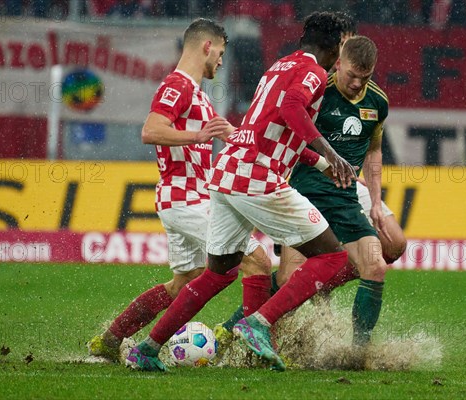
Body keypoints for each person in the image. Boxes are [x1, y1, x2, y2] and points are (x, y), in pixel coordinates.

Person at [125, 11, 357, 372]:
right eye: (346, 41)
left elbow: (272, 126)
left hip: (226, 174)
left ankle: (148, 348)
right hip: (258, 178)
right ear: (336, 43)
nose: (347, 49)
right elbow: (293, 108)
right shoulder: (313, 73)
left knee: (219, 273)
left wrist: (325, 165)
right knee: (334, 258)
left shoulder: (280, 66)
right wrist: (330, 150)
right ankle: (259, 323)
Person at [86, 18, 271, 366]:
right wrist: (197, 136)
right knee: (255, 260)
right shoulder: (178, 85)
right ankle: (253, 350)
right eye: (220, 52)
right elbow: (151, 129)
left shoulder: (198, 95)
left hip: (187, 198)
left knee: (183, 283)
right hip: (186, 199)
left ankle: (111, 340)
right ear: (206, 46)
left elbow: (229, 137)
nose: (221, 60)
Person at [215, 36, 406, 358]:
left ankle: (358, 352)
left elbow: (373, 151)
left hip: (348, 190)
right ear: (338, 63)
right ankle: (235, 324)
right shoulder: (317, 91)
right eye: (351, 76)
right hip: (308, 186)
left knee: (391, 249)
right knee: (290, 278)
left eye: (366, 77)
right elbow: (291, 131)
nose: (357, 84)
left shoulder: (378, 102)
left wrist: (375, 201)